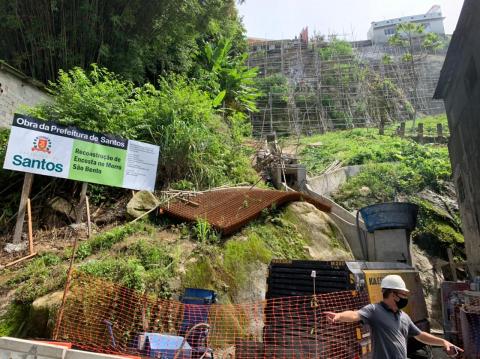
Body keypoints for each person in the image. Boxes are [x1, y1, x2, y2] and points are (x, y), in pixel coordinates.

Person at [324, 275, 463, 359]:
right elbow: (355, 314)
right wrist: (339, 316)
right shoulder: (374, 310)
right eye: (403, 294)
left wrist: (443, 342)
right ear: (392, 294)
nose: (405, 297)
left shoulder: (404, 316)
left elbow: (420, 335)